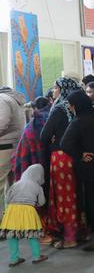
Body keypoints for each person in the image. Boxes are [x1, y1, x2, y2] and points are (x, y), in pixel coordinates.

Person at [60, 90, 94, 251]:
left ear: (75, 105)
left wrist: (80, 155)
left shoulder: (78, 121)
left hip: (91, 167)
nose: (69, 107)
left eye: (70, 104)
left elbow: (64, 144)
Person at [40, 77, 81, 248]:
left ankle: (70, 237)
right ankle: (80, 231)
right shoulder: (77, 107)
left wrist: (54, 140)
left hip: (61, 157)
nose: (53, 91)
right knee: (76, 194)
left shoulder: (59, 109)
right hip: (77, 155)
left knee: (64, 196)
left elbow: (44, 136)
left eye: (56, 87)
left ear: (63, 90)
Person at [0, 164, 48, 267]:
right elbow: (42, 202)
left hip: (12, 210)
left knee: (12, 236)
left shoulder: (16, 184)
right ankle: (37, 257)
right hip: (28, 210)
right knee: (32, 235)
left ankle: (14, 259)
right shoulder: (37, 186)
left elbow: (7, 199)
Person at [0, 86, 26, 217]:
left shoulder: (2, 99)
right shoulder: (13, 99)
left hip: (4, 146)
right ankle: (12, 217)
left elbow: (1, 122)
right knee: (11, 184)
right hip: (14, 144)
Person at [12, 97, 49, 181]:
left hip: (34, 163)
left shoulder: (31, 126)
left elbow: (22, 149)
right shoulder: (54, 117)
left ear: (35, 108)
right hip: (51, 160)